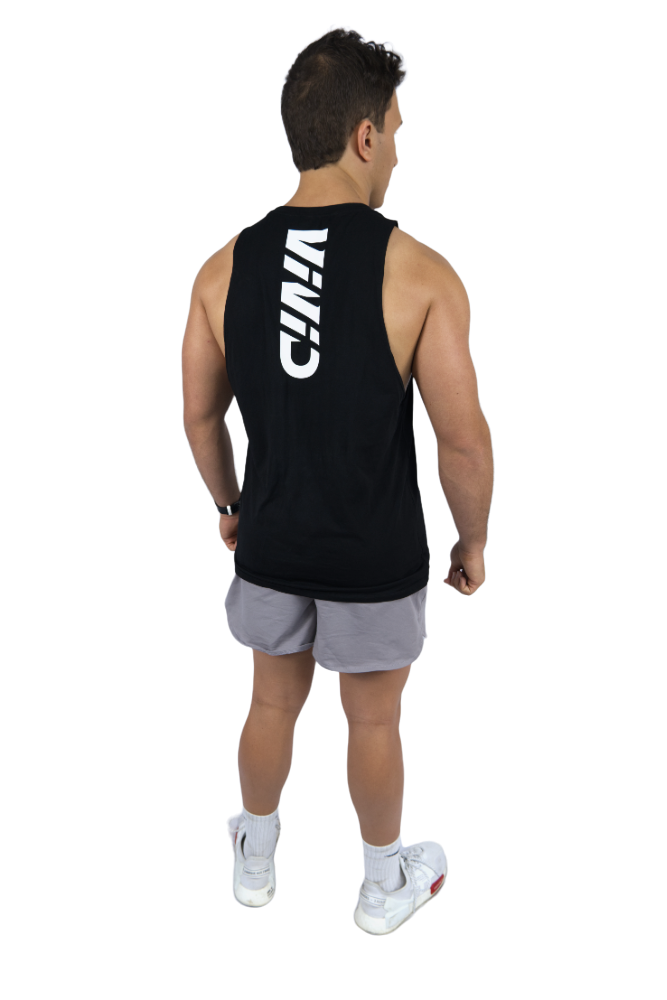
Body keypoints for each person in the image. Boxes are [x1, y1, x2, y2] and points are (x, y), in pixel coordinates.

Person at [182, 28, 493, 935]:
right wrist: (472, 540)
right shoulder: (420, 273)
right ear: (363, 135)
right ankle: (381, 886)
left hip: (272, 541)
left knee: (269, 701)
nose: (396, 150)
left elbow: (199, 417)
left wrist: (230, 506)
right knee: (374, 723)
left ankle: (255, 859)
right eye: (394, 131)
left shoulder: (220, 269)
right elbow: (461, 442)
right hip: (373, 553)